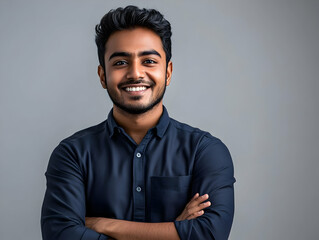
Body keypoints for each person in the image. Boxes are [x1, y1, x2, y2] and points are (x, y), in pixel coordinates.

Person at [41, 5, 235, 240]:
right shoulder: (72, 154)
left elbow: (210, 234)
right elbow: (62, 235)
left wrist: (105, 225)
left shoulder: (205, 151)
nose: (135, 73)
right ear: (103, 76)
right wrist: (175, 229)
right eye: (121, 62)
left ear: (168, 72)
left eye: (149, 61)